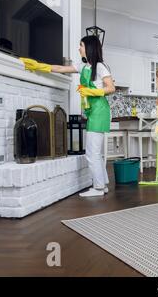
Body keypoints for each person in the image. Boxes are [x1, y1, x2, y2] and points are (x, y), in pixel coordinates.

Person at [20, 35, 116, 197]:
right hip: (93, 111)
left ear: (89, 48)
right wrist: (39, 66)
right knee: (95, 153)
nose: (79, 48)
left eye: (81, 45)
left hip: (100, 111)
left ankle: (98, 188)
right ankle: (103, 185)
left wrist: (92, 91)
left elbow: (111, 87)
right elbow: (60, 69)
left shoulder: (100, 66)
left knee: (91, 153)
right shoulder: (84, 66)